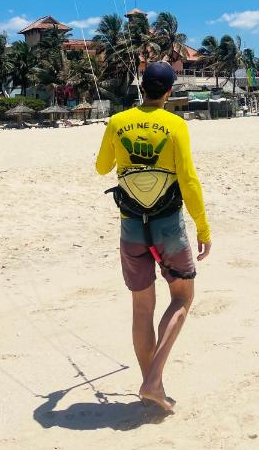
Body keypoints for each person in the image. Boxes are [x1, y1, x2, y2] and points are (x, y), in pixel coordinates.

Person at [96, 62, 211, 413]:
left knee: (142, 307)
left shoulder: (118, 121)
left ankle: (153, 387)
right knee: (182, 297)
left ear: (141, 87)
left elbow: (102, 168)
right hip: (167, 226)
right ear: (169, 92)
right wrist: (203, 227)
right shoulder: (176, 125)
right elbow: (188, 180)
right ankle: (153, 380)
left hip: (131, 226)